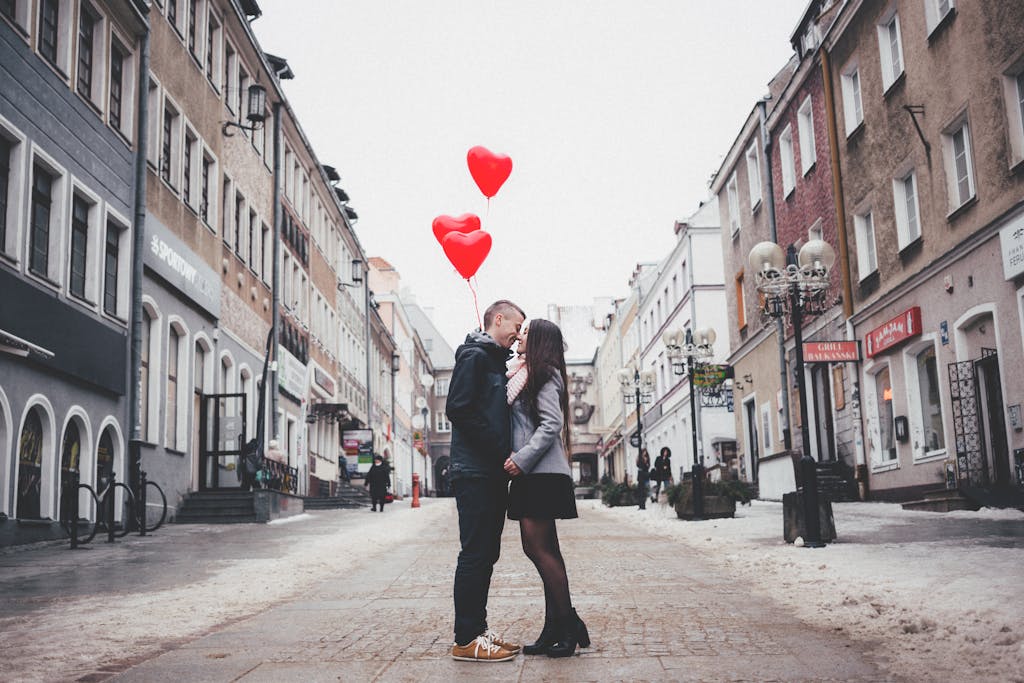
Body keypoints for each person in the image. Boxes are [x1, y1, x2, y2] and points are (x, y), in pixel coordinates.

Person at [504, 319, 590, 658]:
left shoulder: (545, 374)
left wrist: (521, 459)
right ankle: (557, 624)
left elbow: (551, 423)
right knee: (542, 550)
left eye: (525, 332)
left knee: (540, 550)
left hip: (540, 472)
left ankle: (567, 625)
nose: (519, 336)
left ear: (538, 340)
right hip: (533, 473)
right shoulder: (522, 374)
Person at [446, 299, 526, 662]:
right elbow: (458, 409)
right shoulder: (474, 357)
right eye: (516, 326)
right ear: (498, 319)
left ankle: (478, 630)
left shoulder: (493, 360)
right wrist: (500, 452)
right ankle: (466, 638)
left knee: (486, 554)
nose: (518, 334)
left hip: (489, 472)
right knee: (475, 554)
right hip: (475, 471)